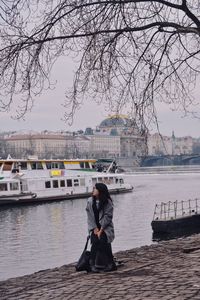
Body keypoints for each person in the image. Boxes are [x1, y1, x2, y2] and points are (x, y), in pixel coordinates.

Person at [86, 182, 117, 272]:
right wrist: (95, 228)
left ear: (100, 191)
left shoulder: (107, 202)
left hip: (105, 228)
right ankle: (92, 264)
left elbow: (108, 217)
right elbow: (89, 216)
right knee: (94, 241)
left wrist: (101, 229)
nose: (93, 190)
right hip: (94, 227)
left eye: (95, 188)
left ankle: (111, 263)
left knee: (104, 240)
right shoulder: (90, 201)